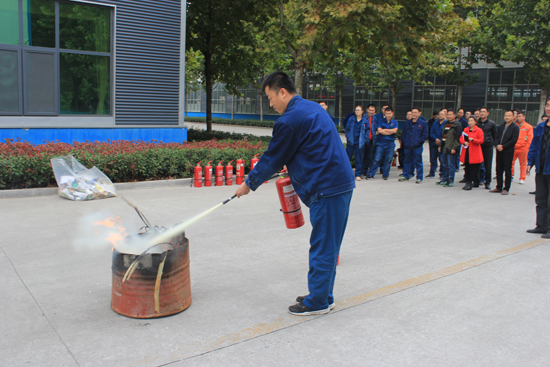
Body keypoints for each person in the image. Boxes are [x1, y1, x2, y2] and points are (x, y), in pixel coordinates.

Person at [235, 71, 355, 315]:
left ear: (282, 92)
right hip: (337, 183)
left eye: (270, 98)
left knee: (322, 246)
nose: (270, 104)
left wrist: (248, 183)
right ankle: (324, 295)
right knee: (329, 245)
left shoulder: (290, 120)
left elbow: (273, 157)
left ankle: (318, 302)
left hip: (327, 187)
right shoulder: (311, 108)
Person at [490, 110, 520, 195]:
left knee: (507, 170)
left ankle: (506, 188)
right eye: (505, 115)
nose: (507, 117)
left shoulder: (515, 127)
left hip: (508, 151)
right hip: (499, 150)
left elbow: (514, 140)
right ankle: (498, 187)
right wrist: (497, 145)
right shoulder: (501, 126)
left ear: (513, 117)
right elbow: (496, 137)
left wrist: (504, 146)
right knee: (498, 169)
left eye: (509, 116)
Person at [366, 107, 398, 180]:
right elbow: (379, 131)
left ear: (392, 113)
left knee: (388, 160)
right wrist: (389, 131)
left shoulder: (395, 122)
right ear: (385, 113)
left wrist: (385, 130)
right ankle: (371, 174)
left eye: (389, 113)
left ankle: (385, 175)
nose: (388, 115)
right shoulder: (380, 121)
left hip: (390, 143)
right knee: (377, 159)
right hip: (381, 143)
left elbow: (395, 131)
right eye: (386, 113)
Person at [399, 107, 428, 183]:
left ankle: (419, 177)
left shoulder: (423, 123)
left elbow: (424, 135)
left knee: (418, 162)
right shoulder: (407, 123)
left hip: (417, 146)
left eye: (415, 112)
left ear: (419, 113)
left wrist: (419, 142)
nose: (414, 114)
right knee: (406, 161)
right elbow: (404, 133)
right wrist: (405, 142)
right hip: (408, 146)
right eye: (412, 112)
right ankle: (405, 175)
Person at [437, 109, 462, 187]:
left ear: (454, 115)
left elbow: (458, 139)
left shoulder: (457, 125)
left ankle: (451, 180)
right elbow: (443, 136)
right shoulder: (446, 124)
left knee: (451, 165)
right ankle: (444, 179)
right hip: (444, 146)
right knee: (444, 164)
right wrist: (440, 146)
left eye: (451, 114)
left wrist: (455, 148)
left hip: (451, 147)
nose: (449, 116)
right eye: (448, 114)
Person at [459, 116, 484, 190]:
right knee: (467, 167)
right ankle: (468, 182)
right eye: (469, 121)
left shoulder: (479, 130)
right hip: (467, 151)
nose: (470, 122)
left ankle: (472, 182)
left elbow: (481, 140)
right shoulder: (465, 129)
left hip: (474, 152)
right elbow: (461, 138)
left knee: (474, 169)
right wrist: (464, 142)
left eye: (472, 121)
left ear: (475, 122)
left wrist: (473, 140)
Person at [477, 107, 497, 189]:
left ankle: (487, 182)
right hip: (478, 146)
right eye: (481, 112)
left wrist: (493, 144)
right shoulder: (476, 123)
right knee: (477, 164)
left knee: (487, 165)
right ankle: (477, 180)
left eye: (484, 112)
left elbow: (495, 135)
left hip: (488, 146)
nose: (482, 113)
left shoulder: (491, 123)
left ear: (487, 113)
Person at [345, 105, 367, 180]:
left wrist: (365, 139)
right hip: (351, 142)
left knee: (359, 159)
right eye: (356, 110)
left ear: (362, 111)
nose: (357, 111)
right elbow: (347, 129)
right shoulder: (351, 119)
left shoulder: (364, 121)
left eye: (359, 110)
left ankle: (358, 174)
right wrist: (348, 136)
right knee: (348, 158)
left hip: (359, 143)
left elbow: (367, 131)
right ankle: (346, 174)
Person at [512, 111, 534, 184]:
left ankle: (522, 178)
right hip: (514, 147)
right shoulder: (514, 125)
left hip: (523, 148)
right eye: (517, 116)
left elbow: (530, 138)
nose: (518, 118)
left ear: (524, 117)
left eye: (520, 116)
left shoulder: (528, 127)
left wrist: (527, 147)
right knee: (510, 163)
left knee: (523, 164)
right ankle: (511, 175)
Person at [428, 109, 447, 179]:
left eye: (442, 114)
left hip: (442, 144)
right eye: (439, 114)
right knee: (433, 159)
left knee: (442, 159)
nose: (440, 115)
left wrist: (440, 141)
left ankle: (442, 174)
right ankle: (431, 172)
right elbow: (431, 132)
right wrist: (435, 139)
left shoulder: (446, 123)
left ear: (445, 115)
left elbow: (447, 133)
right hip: (434, 143)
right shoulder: (435, 123)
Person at [359, 104, 377, 176]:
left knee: (368, 157)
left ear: (375, 111)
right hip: (363, 140)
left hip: (371, 140)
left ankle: (364, 172)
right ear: (367, 110)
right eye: (370, 110)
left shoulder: (375, 119)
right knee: (361, 156)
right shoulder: (362, 117)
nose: (371, 111)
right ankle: (359, 172)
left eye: (373, 110)